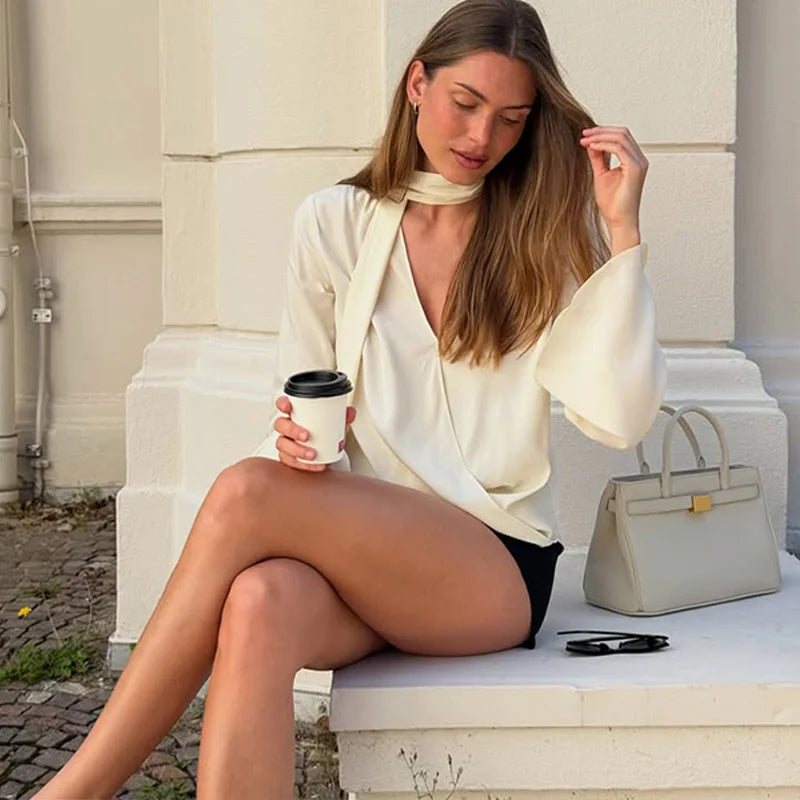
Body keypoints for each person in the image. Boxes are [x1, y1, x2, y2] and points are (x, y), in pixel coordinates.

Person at [35, 0, 666, 797]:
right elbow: (303, 404)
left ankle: (75, 789)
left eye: (510, 119)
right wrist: (298, 447)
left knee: (240, 493)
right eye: (465, 104)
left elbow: (620, 417)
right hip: (365, 558)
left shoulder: (540, 234)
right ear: (416, 85)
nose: (480, 139)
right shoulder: (333, 223)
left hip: (493, 568)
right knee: (259, 600)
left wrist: (623, 235)